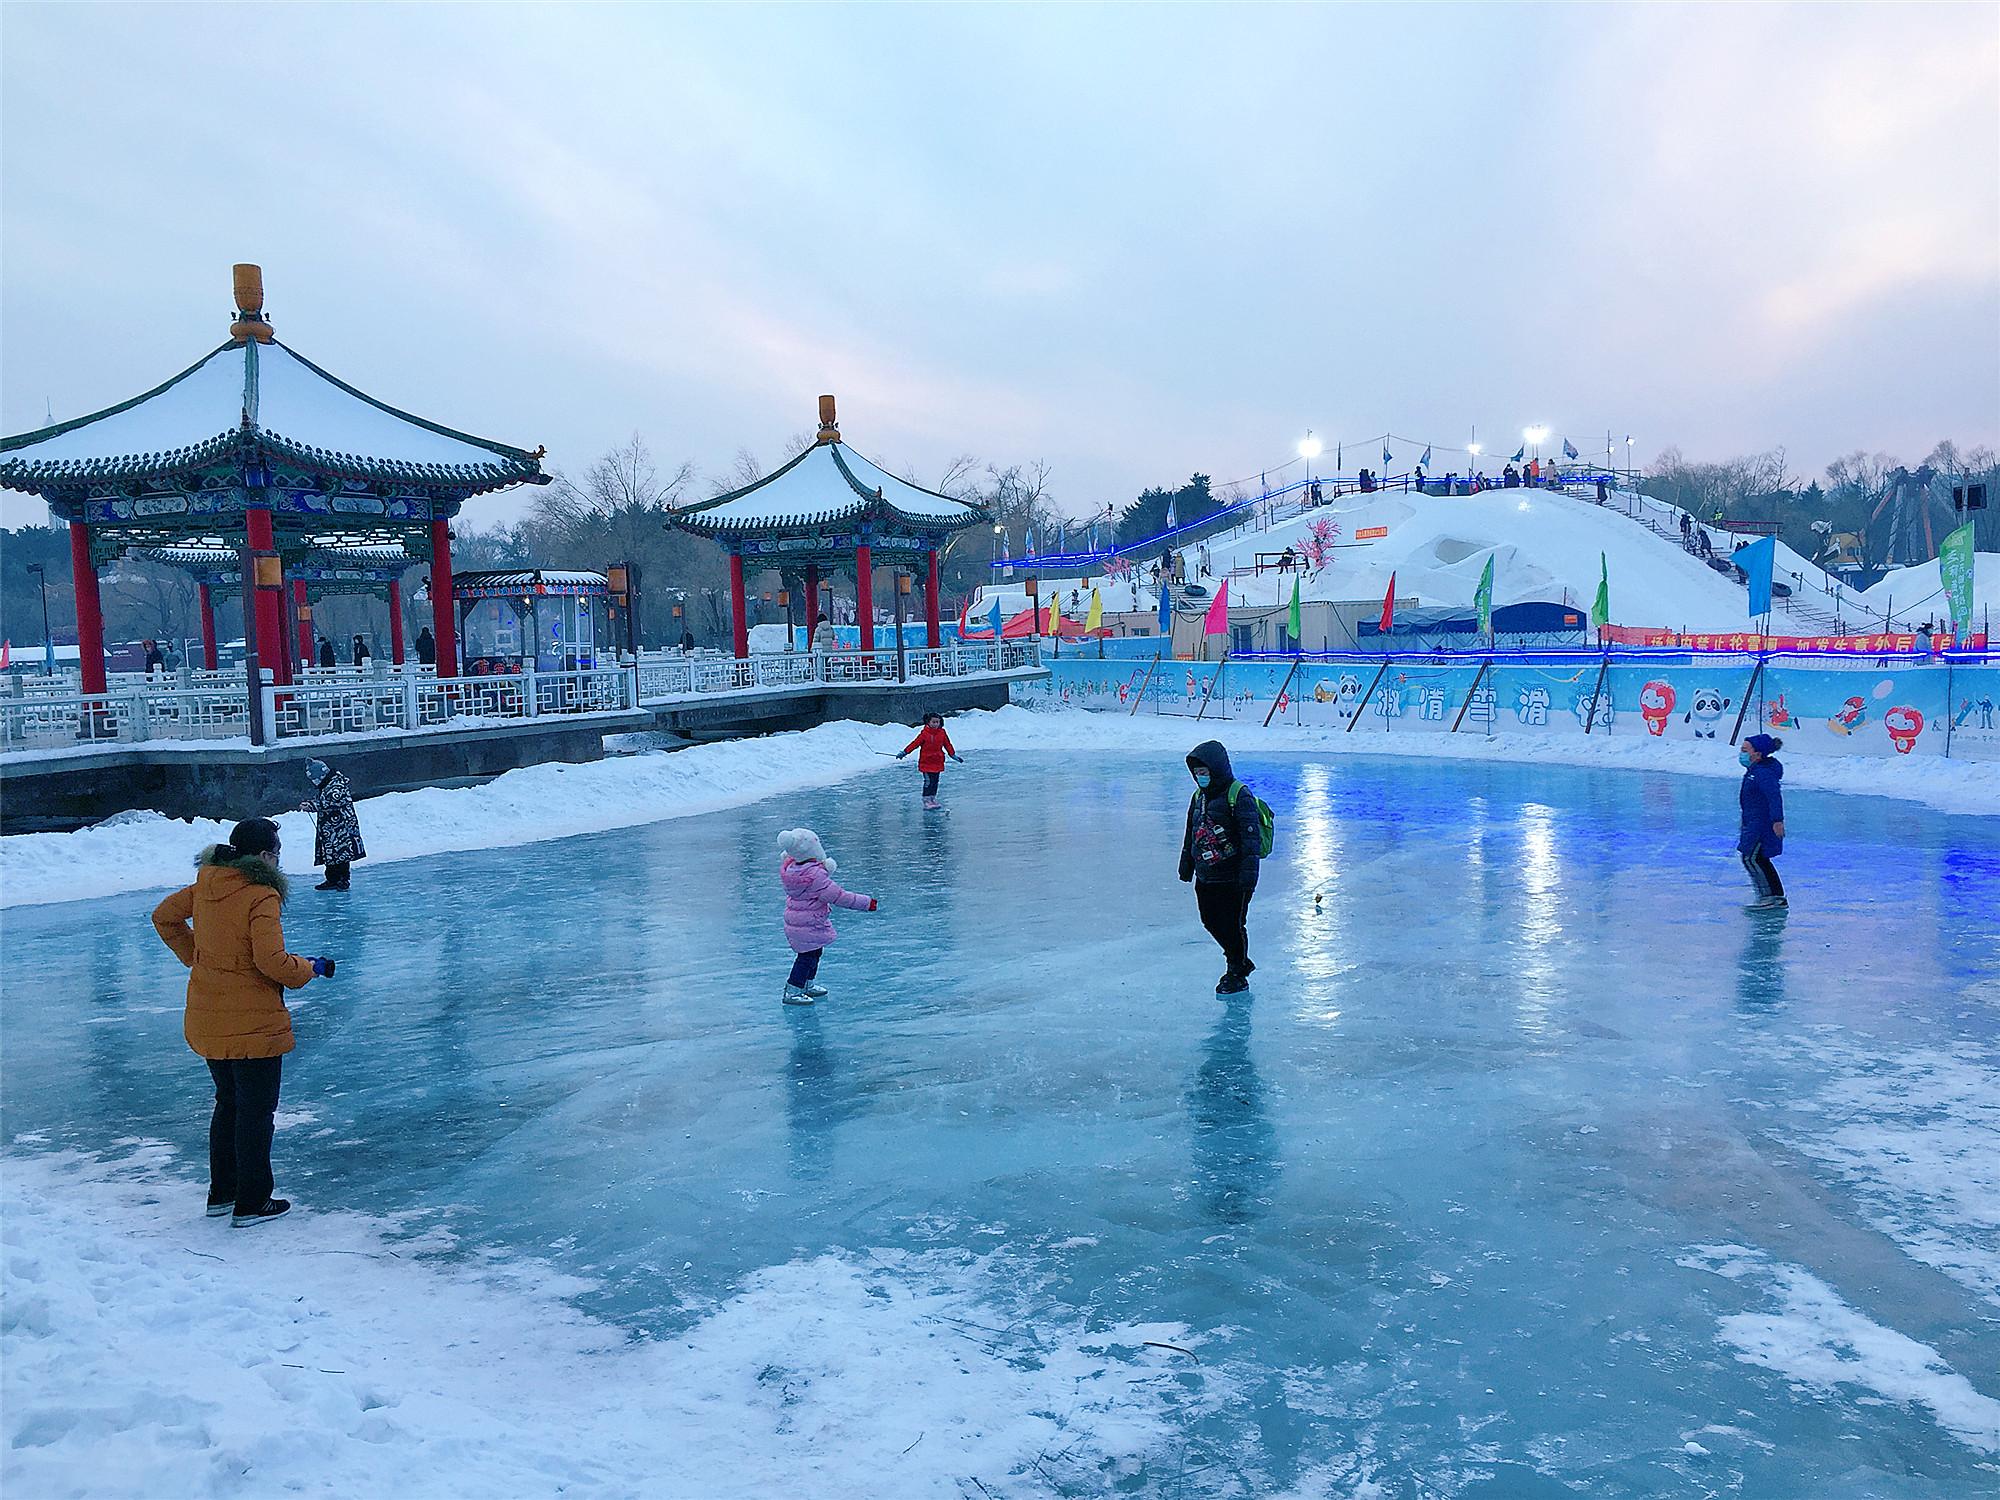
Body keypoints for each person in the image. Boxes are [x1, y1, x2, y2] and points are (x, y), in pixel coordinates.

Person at [150, 817, 333, 1227]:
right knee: (255, 1111)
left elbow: (164, 917)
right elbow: (271, 961)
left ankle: (223, 1193)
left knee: (228, 1104)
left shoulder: (207, 883)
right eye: (277, 854)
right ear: (266, 856)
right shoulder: (260, 894)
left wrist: (199, 958)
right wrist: (308, 969)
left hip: (208, 1017)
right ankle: (252, 1202)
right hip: (252, 1022)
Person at [1179, 740, 1262, 994]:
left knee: (1233, 924)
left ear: (1217, 769)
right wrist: (1187, 863)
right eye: (1197, 773)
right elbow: (1191, 831)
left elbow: (1251, 840)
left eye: (1204, 772)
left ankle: (1236, 970)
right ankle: (1239, 960)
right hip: (1206, 874)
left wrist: (1248, 877)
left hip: (1233, 876)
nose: (1200, 777)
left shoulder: (1239, 794)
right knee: (1210, 920)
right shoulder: (1198, 797)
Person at [777, 827, 877, 1005]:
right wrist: (866, 903)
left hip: (800, 921)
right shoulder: (815, 876)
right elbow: (839, 896)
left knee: (814, 952)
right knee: (806, 956)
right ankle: (793, 989)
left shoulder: (794, 869)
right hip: (807, 923)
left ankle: (807, 984)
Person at [1736, 734, 1787, 911]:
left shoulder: (1763, 773)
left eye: (1744, 750)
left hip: (1762, 826)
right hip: (1753, 824)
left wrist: (1777, 821)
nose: (1741, 754)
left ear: (1757, 754)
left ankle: (1769, 897)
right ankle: (1774, 896)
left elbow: (1774, 797)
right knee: (1758, 859)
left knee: (1751, 858)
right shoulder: (1754, 771)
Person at [301, 758, 365, 891]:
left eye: (314, 779)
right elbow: (324, 800)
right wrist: (312, 803)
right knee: (330, 853)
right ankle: (332, 879)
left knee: (342, 853)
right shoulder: (327, 784)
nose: (314, 783)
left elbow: (333, 801)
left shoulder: (337, 785)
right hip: (331, 828)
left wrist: (313, 806)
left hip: (342, 827)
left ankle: (343, 879)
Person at [897, 711, 964, 809]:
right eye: (933, 722)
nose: (936, 724)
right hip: (926, 762)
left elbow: (947, 744)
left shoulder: (942, 733)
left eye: (937, 722)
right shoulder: (924, 734)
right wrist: (905, 752)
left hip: (937, 761)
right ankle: (926, 800)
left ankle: (932, 799)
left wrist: (953, 755)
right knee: (928, 781)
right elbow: (914, 744)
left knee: (935, 781)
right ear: (928, 722)